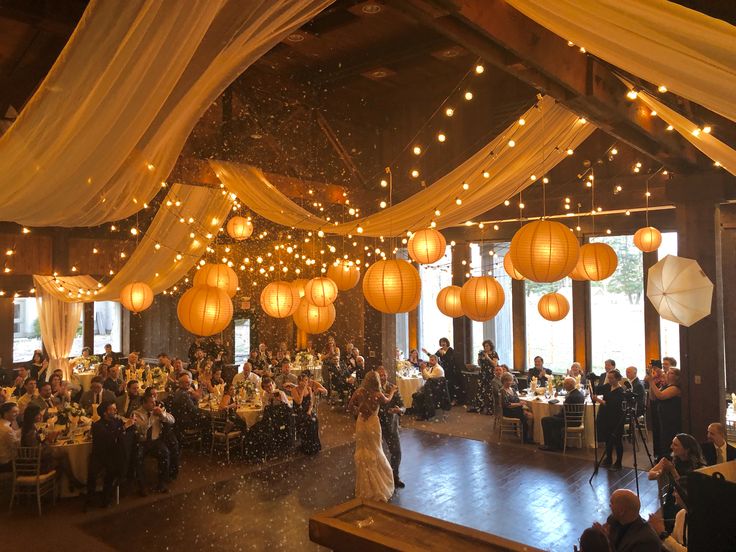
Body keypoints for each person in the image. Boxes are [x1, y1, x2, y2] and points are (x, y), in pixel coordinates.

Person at [348, 370, 396, 501]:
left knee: (362, 450)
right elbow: (388, 401)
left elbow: (350, 405)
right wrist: (392, 391)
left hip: (361, 423)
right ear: (376, 381)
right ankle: (378, 485)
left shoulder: (359, 392)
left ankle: (365, 485)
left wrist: (358, 411)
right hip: (373, 423)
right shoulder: (378, 394)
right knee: (375, 450)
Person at [648, 433, 705, 529]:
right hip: (672, 497)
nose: (671, 447)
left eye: (675, 445)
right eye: (672, 443)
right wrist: (660, 473)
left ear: (686, 449)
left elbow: (683, 489)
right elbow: (650, 475)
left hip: (687, 500)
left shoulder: (697, 467)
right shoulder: (669, 458)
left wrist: (672, 470)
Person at [86, 401, 131, 508]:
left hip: (113, 455)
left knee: (113, 470)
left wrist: (127, 426)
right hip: (100, 455)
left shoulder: (117, 421)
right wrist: (123, 428)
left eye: (115, 409)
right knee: (93, 472)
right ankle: (90, 499)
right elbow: (108, 437)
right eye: (112, 409)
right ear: (105, 413)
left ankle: (106, 497)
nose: (115, 411)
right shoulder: (97, 425)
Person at [591, 489, 661, 552]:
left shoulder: (646, 541)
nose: (609, 506)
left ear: (621, 511)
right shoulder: (612, 520)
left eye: (612, 503)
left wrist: (606, 542)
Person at [133, 393, 175, 495]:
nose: (154, 404)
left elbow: (172, 420)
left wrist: (162, 414)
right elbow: (142, 428)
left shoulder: (158, 410)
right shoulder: (136, 413)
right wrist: (152, 417)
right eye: (151, 402)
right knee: (138, 458)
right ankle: (142, 486)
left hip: (155, 441)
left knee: (165, 453)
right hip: (142, 442)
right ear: (144, 403)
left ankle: (162, 483)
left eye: (154, 401)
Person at [377, 366, 405, 488]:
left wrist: (399, 410)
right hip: (376, 425)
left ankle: (395, 476)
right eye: (380, 375)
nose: (383, 377)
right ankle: (379, 478)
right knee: (377, 453)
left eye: (384, 375)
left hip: (391, 424)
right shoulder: (373, 389)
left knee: (396, 452)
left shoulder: (392, 387)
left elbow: (403, 406)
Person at [539, 377, 585, 452]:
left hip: (570, 421)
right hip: (577, 420)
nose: (564, 386)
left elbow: (564, 413)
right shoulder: (578, 394)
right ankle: (558, 444)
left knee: (545, 420)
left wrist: (555, 416)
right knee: (553, 420)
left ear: (569, 385)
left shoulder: (571, 397)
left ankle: (550, 445)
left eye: (565, 384)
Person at [592, 369, 626, 470]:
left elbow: (611, 405)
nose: (609, 380)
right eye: (609, 378)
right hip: (606, 417)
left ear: (617, 379)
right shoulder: (607, 386)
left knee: (617, 441)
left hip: (616, 418)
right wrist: (593, 381)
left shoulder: (620, 391)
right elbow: (596, 389)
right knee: (607, 439)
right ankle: (608, 459)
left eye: (612, 378)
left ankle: (618, 462)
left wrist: (598, 400)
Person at [646, 367, 682, 459]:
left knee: (668, 439)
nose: (667, 374)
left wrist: (650, 381)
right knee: (662, 439)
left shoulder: (675, 388)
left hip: (671, 418)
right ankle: (663, 459)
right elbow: (653, 397)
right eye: (668, 372)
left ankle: (670, 461)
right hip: (663, 417)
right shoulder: (666, 386)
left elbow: (661, 396)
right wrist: (653, 382)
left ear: (677, 377)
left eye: (671, 373)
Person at [291, 372, 324, 454]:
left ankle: (314, 444)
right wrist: (302, 390)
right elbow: (299, 402)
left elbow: (311, 402)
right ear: (299, 381)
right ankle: (306, 445)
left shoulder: (309, 389)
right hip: (298, 411)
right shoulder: (294, 390)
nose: (306, 382)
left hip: (307, 410)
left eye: (306, 380)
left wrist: (309, 411)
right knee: (307, 421)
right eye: (303, 380)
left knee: (314, 420)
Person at [648, 487, 689, 551]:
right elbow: (674, 543)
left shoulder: (702, 521)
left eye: (676, 491)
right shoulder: (681, 514)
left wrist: (662, 534)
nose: (673, 494)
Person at [500, 372, 533, 443]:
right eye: (507, 381)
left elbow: (517, 400)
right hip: (508, 411)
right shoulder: (502, 391)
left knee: (528, 413)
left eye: (510, 380)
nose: (509, 382)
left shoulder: (512, 389)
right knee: (525, 417)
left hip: (515, 409)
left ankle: (527, 436)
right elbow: (507, 405)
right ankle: (525, 439)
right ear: (503, 381)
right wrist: (519, 404)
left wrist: (521, 404)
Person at [423, 337, 458, 404]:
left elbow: (451, 360)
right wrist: (426, 352)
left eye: (444, 342)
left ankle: (454, 400)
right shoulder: (440, 350)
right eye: (441, 342)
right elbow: (433, 357)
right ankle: (446, 400)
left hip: (451, 370)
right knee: (445, 385)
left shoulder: (450, 350)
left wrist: (444, 354)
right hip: (443, 369)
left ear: (447, 343)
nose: (442, 343)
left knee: (451, 385)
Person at [476, 340, 499, 415]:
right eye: (485, 346)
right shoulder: (482, 353)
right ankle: (480, 408)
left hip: (490, 374)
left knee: (490, 392)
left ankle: (490, 409)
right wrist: (479, 358)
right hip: (482, 374)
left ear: (491, 346)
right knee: (480, 391)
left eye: (487, 346)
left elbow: (495, 364)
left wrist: (488, 357)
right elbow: (479, 364)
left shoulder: (494, 353)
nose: (486, 347)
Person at [0, 402, 20, 472]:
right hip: (6, 464)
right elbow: (17, 447)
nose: (17, 414)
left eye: (17, 411)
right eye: (14, 412)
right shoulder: (7, 429)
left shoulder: (3, 424)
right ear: (5, 413)